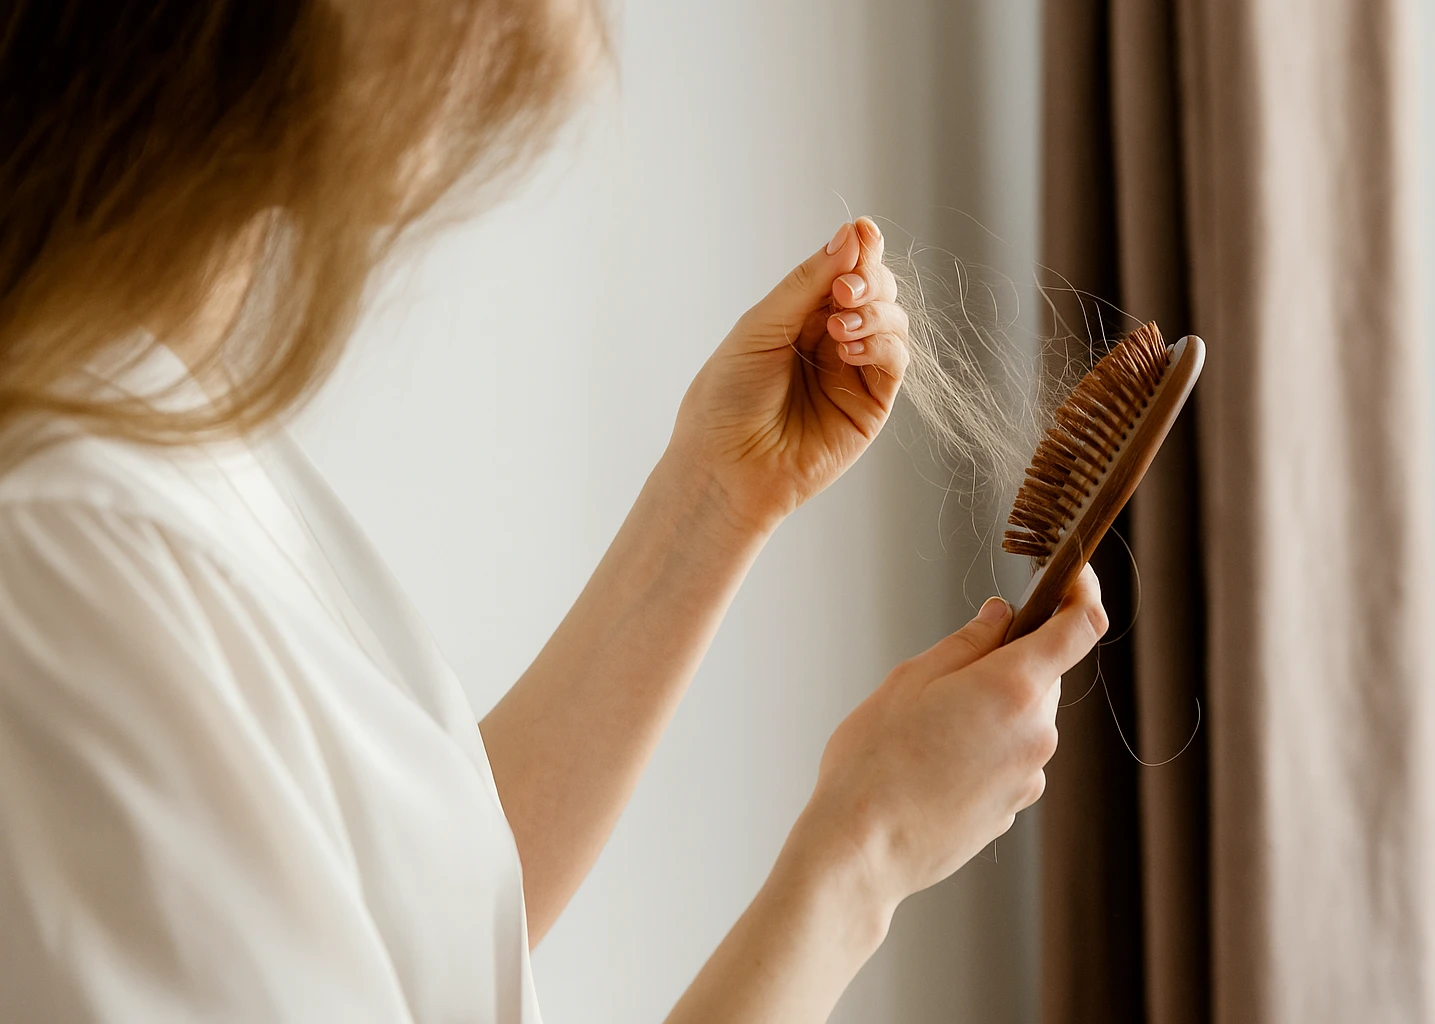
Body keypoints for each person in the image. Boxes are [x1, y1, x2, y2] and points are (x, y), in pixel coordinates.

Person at [0, 2, 1108, 1021]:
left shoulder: (157, 433)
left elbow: (415, 939)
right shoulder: (65, 549)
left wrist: (718, 495)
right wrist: (862, 853)